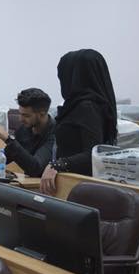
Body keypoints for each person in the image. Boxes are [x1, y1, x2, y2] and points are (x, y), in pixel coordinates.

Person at [41, 49, 118, 194]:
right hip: (71, 182)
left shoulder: (87, 107)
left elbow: (94, 153)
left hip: (80, 187)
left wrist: (58, 164)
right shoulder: (79, 105)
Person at [0, 88, 56, 177]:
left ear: (42, 114)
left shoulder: (56, 134)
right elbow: (6, 156)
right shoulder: (24, 130)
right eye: (20, 114)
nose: (21, 119)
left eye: (26, 115)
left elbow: (36, 168)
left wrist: (8, 139)